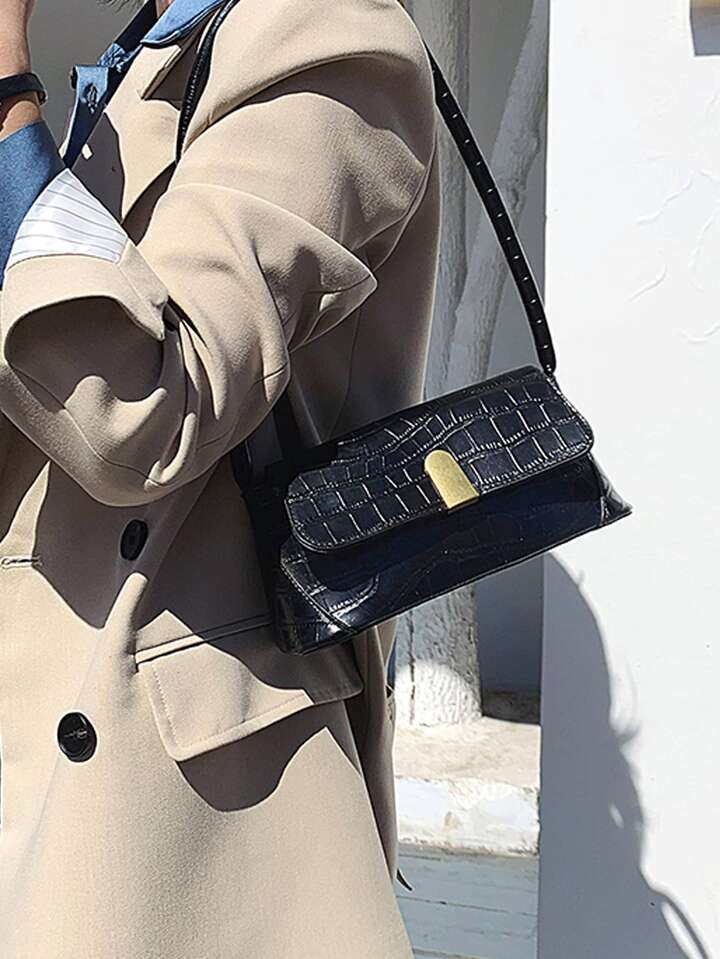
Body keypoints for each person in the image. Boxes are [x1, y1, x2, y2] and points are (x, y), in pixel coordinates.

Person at [0, 0, 440, 955]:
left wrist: (3, 105)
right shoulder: (147, 57)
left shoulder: (331, 35)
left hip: (178, 809)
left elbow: (138, 409)